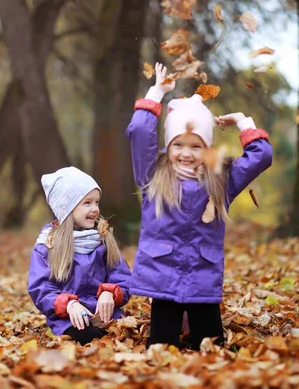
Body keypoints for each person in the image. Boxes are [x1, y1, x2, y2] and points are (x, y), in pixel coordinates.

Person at [126, 63, 272, 350]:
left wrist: (243, 121)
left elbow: (261, 156)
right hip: (162, 280)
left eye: (196, 146)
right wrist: (157, 92)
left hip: (202, 281)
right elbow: (140, 132)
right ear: (169, 145)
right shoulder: (153, 175)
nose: (186, 153)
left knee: (212, 348)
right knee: (161, 349)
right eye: (179, 145)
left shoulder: (220, 180)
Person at [27, 166, 131, 345]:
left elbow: (122, 277)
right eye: (87, 203)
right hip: (68, 319)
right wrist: (69, 304)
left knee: (121, 337)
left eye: (97, 202)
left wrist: (110, 293)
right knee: (85, 337)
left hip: (107, 316)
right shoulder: (48, 246)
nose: (95, 209)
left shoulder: (103, 239)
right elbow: (42, 289)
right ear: (67, 208)